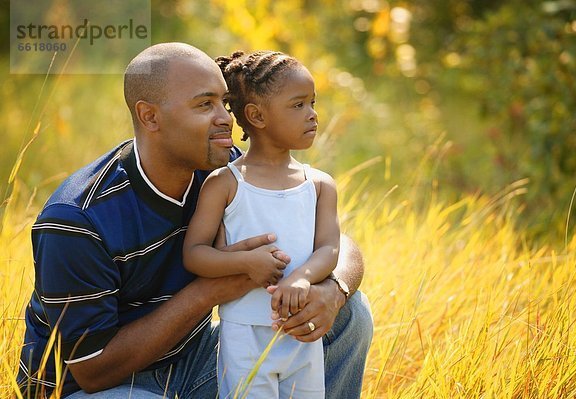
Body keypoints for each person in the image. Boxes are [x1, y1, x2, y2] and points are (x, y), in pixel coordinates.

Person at [17, 42, 373, 399]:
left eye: (223, 101)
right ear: (150, 116)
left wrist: (334, 290)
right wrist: (211, 291)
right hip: (101, 389)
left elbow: (336, 244)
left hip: (195, 357)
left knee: (350, 314)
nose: (225, 118)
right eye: (205, 105)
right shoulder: (78, 219)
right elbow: (93, 371)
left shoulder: (225, 170)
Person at [182, 50, 339, 398]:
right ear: (256, 116)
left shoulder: (319, 184)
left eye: (312, 103)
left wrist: (302, 277)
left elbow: (329, 247)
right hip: (243, 336)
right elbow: (194, 254)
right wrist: (245, 263)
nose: (313, 115)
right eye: (298, 105)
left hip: (301, 334)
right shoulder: (225, 183)